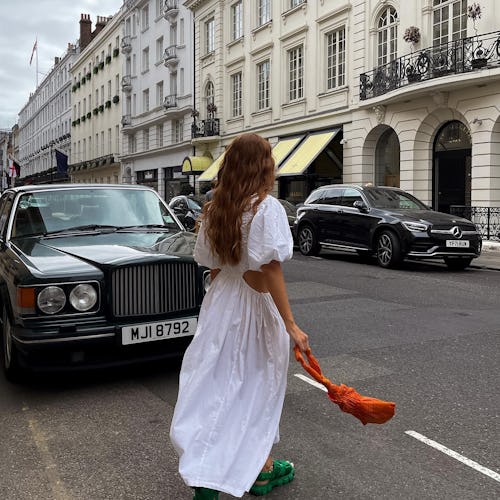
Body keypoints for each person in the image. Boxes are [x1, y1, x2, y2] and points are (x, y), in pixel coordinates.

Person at [170, 133, 310, 500]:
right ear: (263, 165)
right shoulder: (266, 208)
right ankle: (252, 469)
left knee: (214, 386)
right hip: (254, 308)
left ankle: (242, 470)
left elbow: (215, 268)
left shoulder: (216, 208)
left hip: (222, 302)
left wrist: (215, 311)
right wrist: (291, 324)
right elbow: (271, 270)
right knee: (256, 389)